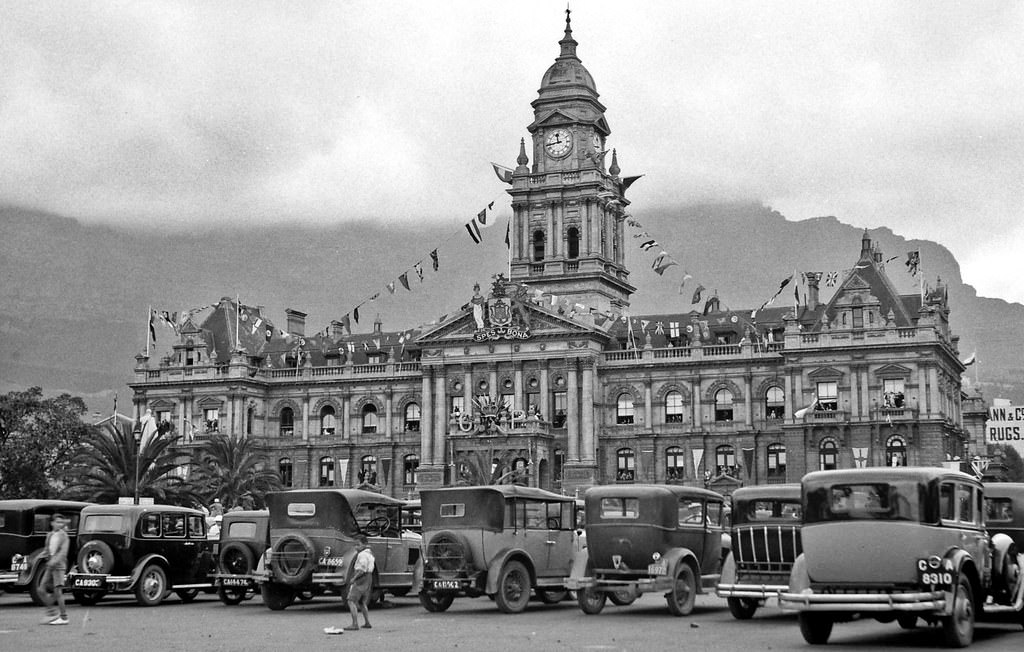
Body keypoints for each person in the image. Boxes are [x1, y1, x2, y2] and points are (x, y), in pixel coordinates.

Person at [42, 513, 70, 625]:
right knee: (40, 589)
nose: (60, 524)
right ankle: (52, 613)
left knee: (58, 592)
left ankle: (64, 617)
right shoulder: (50, 535)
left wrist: (53, 562)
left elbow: (63, 553)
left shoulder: (64, 536)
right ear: (52, 523)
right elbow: (47, 549)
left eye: (61, 522)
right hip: (50, 565)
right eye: (57, 522)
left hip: (58, 566)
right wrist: (35, 559)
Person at [344, 535, 375, 631]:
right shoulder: (370, 554)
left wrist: (354, 578)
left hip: (361, 578)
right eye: (355, 545)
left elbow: (361, 569)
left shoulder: (362, 555)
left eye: (358, 545)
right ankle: (367, 622)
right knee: (362, 602)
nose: (356, 547)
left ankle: (355, 624)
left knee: (351, 600)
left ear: (364, 545)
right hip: (369, 578)